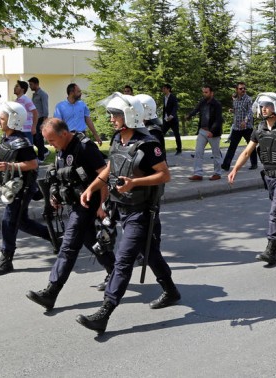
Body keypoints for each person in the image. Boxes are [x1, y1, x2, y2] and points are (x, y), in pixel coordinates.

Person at [76, 94, 180, 334]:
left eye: (116, 115)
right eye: (112, 115)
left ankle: (105, 312)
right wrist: (91, 188)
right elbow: (111, 167)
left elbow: (165, 175)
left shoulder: (148, 143)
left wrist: (134, 182)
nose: (111, 119)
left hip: (141, 210)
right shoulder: (118, 139)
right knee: (150, 252)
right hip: (120, 206)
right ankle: (171, 290)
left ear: (130, 117)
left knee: (122, 261)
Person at [25, 118, 116, 311]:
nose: (51, 145)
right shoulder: (61, 148)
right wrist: (54, 196)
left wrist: (101, 205)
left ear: (64, 134)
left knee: (68, 246)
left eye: (52, 140)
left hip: (88, 203)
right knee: (90, 240)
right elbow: (59, 174)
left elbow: (104, 174)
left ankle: (51, 291)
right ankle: (115, 271)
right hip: (75, 202)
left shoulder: (84, 147)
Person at [227, 93, 276, 266]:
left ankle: (271, 250)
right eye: (261, 106)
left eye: (267, 105)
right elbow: (247, 151)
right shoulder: (259, 128)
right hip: (268, 176)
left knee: (275, 210)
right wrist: (235, 169)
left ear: (275, 106)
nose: (263, 109)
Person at [0, 102, 51, 276]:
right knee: (22, 221)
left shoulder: (21, 142)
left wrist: (10, 166)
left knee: (8, 220)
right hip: (13, 186)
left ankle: (6, 259)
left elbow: (33, 164)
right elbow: (2, 160)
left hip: (21, 188)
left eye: (2, 119)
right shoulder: (7, 139)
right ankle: (55, 239)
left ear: (14, 120)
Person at [186, 85, 223, 181]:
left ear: (211, 93)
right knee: (198, 152)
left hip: (213, 132)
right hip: (202, 131)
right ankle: (198, 174)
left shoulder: (217, 104)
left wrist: (212, 131)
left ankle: (217, 173)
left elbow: (218, 120)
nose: (204, 94)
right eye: (203, 92)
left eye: (206, 92)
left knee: (215, 153)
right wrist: (189, 116)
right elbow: (196, 110)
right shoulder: (202, 102)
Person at [221, 82, 256, 171]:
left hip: (247, 127)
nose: (243, 90)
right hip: (237, 127)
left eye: (244, 88)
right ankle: (226, 165)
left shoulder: (248, 99)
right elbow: (238, 111)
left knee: (251, 145)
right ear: (237, 90)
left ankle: (254, 163)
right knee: (232, 146)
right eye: (241, 89)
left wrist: (245, 120)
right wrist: (233, 110)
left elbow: (250, 112)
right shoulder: (235, 100)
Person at [28, 77, 50, 160]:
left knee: (39, 138)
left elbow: (45, 107)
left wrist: (44, 121)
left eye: (31, 84)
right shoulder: (34, 94)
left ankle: (41, 157)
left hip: (41, 119)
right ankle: (44, 151)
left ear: (36, 84)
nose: (30, 86)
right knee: (34, 138)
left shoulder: (43, 94)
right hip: (34, 119)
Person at [14, 80, 38, 145]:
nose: (15, 88)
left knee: (28, 151)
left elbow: (35, 112)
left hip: (26, 130)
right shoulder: (16, 100)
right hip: (18, 130)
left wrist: (34, 127)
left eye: (17, 86)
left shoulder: (26, 100)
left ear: (22, 89)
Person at [161, 84, 181, 155]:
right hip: (166, 120)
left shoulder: (173, 97)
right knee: (161, 134)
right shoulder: (164, 98)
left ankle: (179, 149)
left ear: (168, 89)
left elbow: (175, 107)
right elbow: (164, 108)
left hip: (173, 120)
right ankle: (161, 149)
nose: (163, 90)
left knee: (176, 134)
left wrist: (172, 115)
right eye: (163, 88)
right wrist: (164, 118)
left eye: (164, 88)